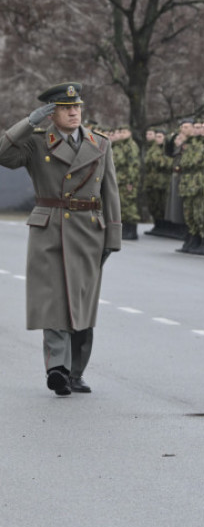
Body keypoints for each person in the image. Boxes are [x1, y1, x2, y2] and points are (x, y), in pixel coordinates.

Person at [0, 83, 122, 395]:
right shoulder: (37, 143)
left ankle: (76, 371)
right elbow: (3, 153)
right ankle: (58, 368)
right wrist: (29, 122)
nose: (73, 112)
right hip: (49, 227)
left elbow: (110, 192)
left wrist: (113, 236)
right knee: (52, 299)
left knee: (81, 304)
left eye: (77, 107)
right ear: (51, 113)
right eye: (66, 108)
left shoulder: (100, 144)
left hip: (88, 232)